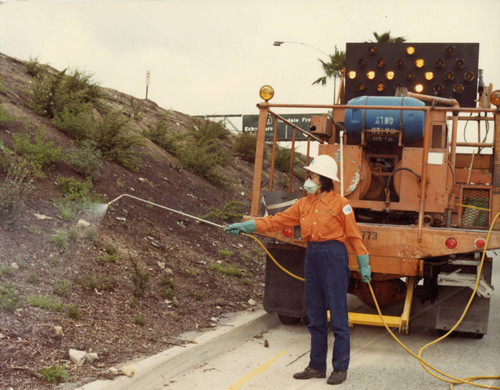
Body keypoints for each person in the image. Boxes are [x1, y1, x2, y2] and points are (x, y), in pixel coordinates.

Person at [226, 154, 371, 386]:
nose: (308, 179)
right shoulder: (303, 204)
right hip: (312, 255)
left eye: (312, 175)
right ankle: (316, 366)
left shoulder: (341, 204)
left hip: (334, 256)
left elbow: (354, 236)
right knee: (314, 314)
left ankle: (340, 368)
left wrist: (364, 263)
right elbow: (276, 221)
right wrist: (248, 226)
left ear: (323, 179)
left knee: (339, 316)